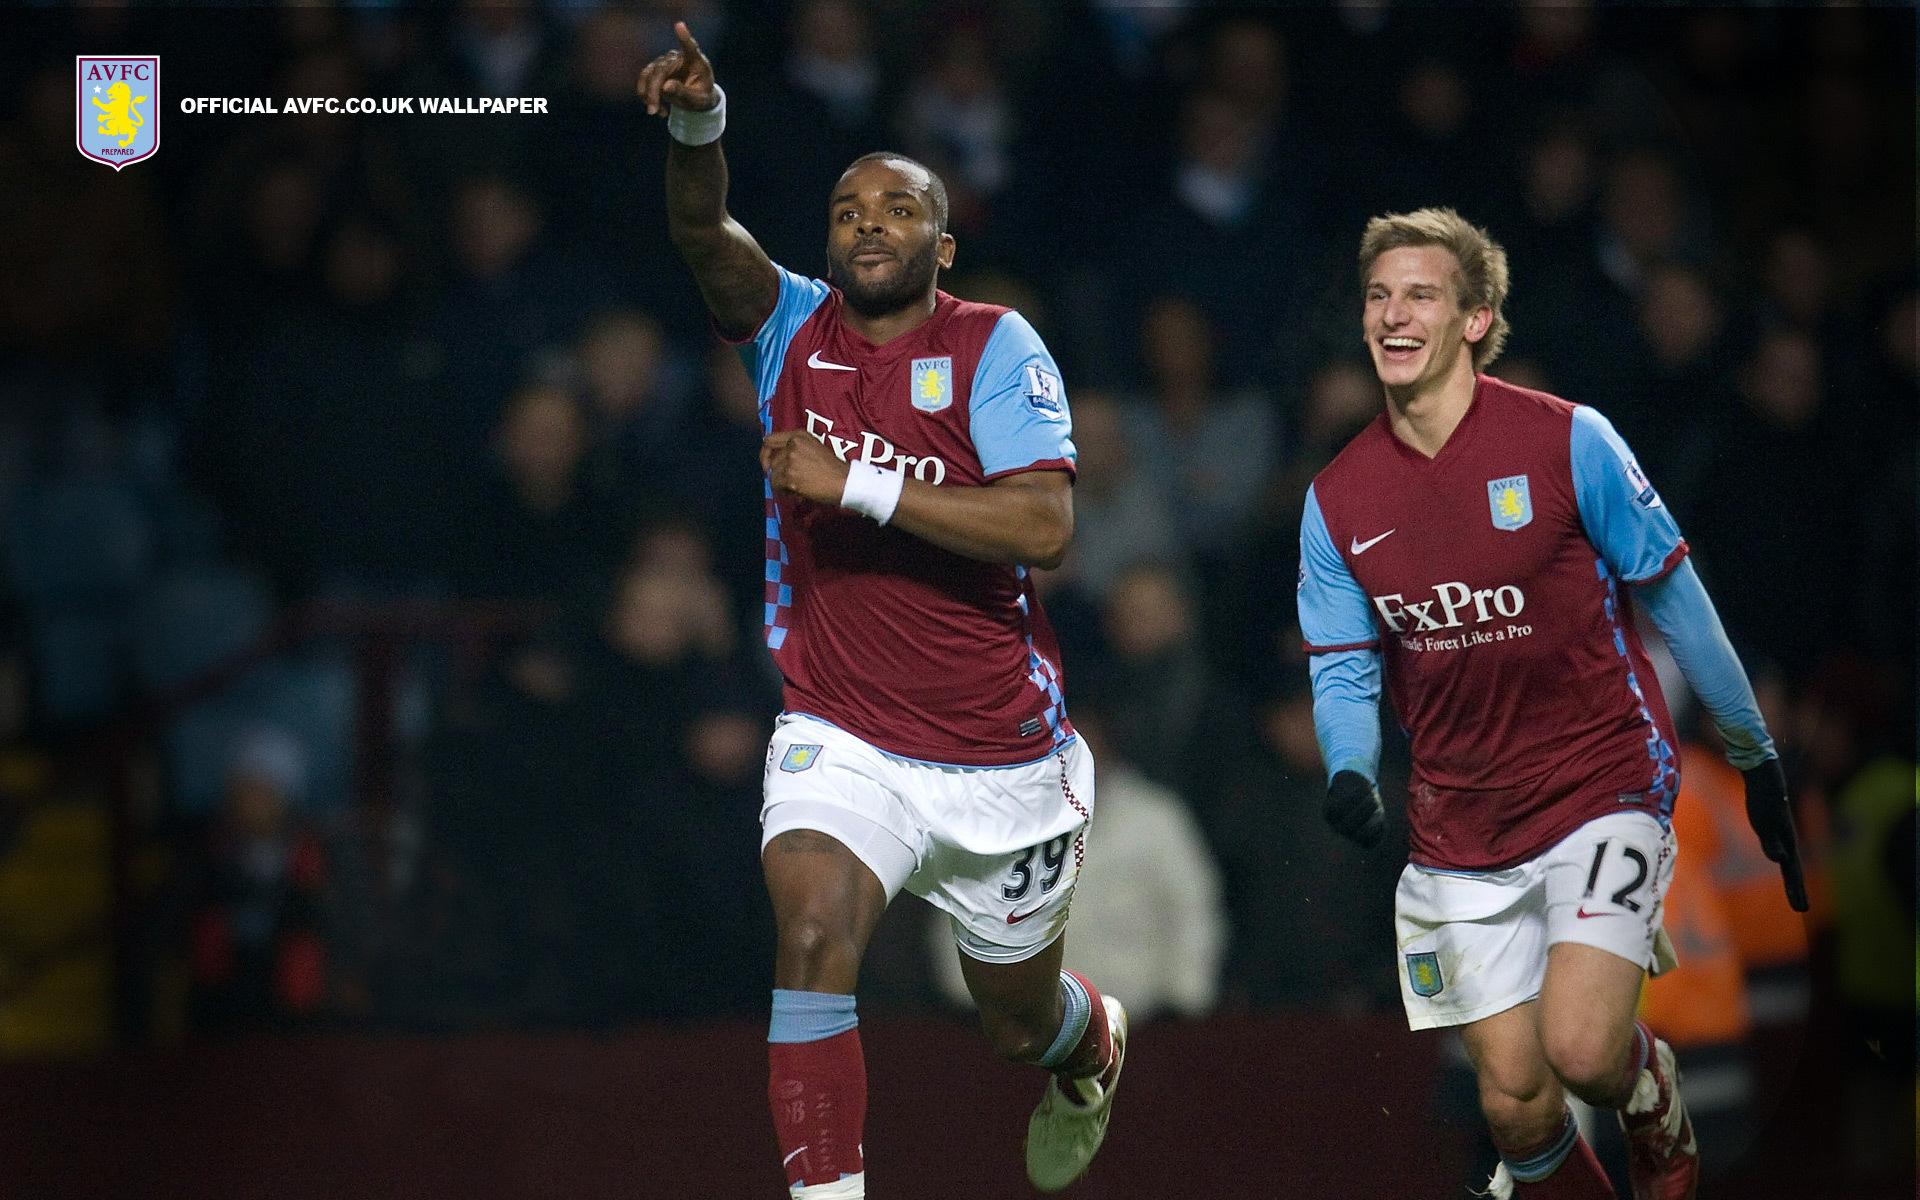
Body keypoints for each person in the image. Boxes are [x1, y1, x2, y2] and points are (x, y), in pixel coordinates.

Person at [638, 25, 1124, 1198]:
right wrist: (700, 124)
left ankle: (1090, 1046)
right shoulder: (787, 333)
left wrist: (855, 483)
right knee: (810, 941)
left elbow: (1045, 528)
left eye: (899, 210)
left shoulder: (994, 344)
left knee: (1014, 1023)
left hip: (1002, 757)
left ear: (942, 246)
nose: (869, 224)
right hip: (842, 730)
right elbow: (702, 232)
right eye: (849, 210)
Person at [1295, 207, 1806, 1200]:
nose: (1393, 315)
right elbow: (1345, 666)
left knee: (1581, 1051)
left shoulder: (1570, 441)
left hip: (1599, 785)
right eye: (1379, 295)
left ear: (1476, 320)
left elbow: (1679, 604)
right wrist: (1350, 766)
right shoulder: (1337, 499)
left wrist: (1754, 755)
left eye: (1421, 295)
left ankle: (1648, 1089)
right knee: (1515, 1106)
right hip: (1459, 822)